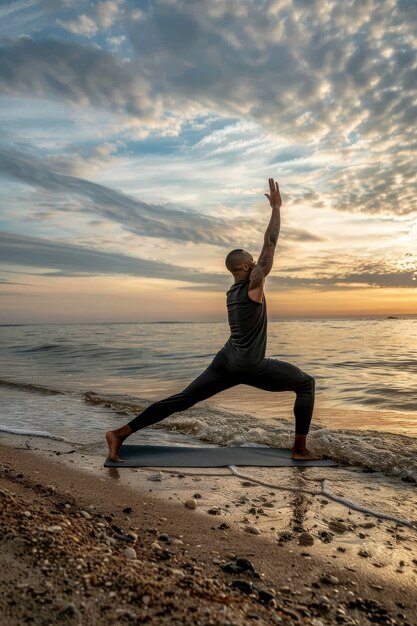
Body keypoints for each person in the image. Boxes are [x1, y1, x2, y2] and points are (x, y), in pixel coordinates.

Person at [106, 178, 322, 462]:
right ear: (246, 267)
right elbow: (270, 243)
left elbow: (263, 255)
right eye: (253, 262)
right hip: (249, 365)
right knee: (306, 384)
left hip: (225, 360)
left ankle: (120, 433)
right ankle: (300, 449)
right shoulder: (252, 286)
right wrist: (276, 209)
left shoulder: (232, 292)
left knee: (183, 400)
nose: (258, 263)